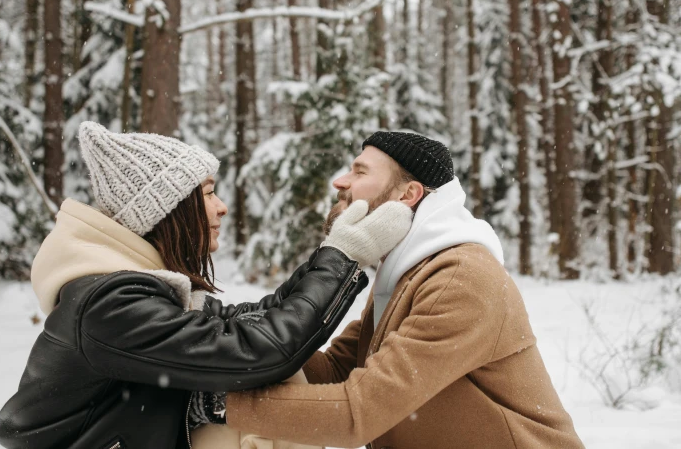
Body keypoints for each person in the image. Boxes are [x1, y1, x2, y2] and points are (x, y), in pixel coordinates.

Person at [0, 122, 412, 449]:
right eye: (209, 193)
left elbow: (257, 321)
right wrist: (344, 257)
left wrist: (335, 254)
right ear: (168, 211)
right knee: (277, 391)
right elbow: (260, 353)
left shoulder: (135, 291)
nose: (222, 206)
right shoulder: (110, 306)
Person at [193, 131, 586, 449]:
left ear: (407, 195)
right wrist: (215, 334)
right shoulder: (407, 274)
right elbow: (331, 371)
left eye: (360, 172)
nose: (340, 182)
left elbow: (359, 414)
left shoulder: (459, 277)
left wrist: (219, 403)